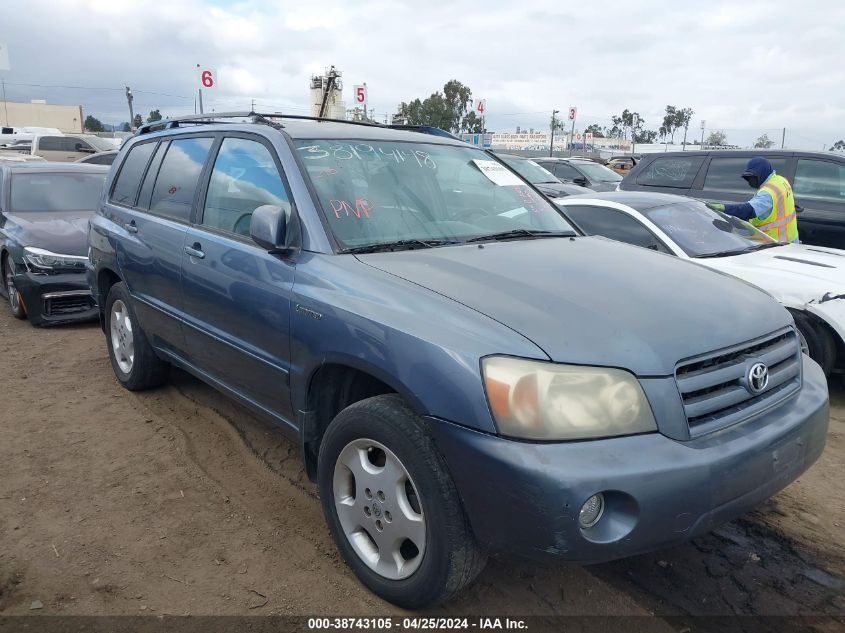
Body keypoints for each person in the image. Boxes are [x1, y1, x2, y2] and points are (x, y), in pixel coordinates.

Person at [706, 156, 798, 243]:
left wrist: (724, 208)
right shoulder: (780, 180)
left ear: (762, 173)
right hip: (791, 239)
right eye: (748, 178)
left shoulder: (767, 192)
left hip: (775, 244)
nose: (750, 181)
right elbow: (782, 202)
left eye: (753, 177)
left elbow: (748, 210)